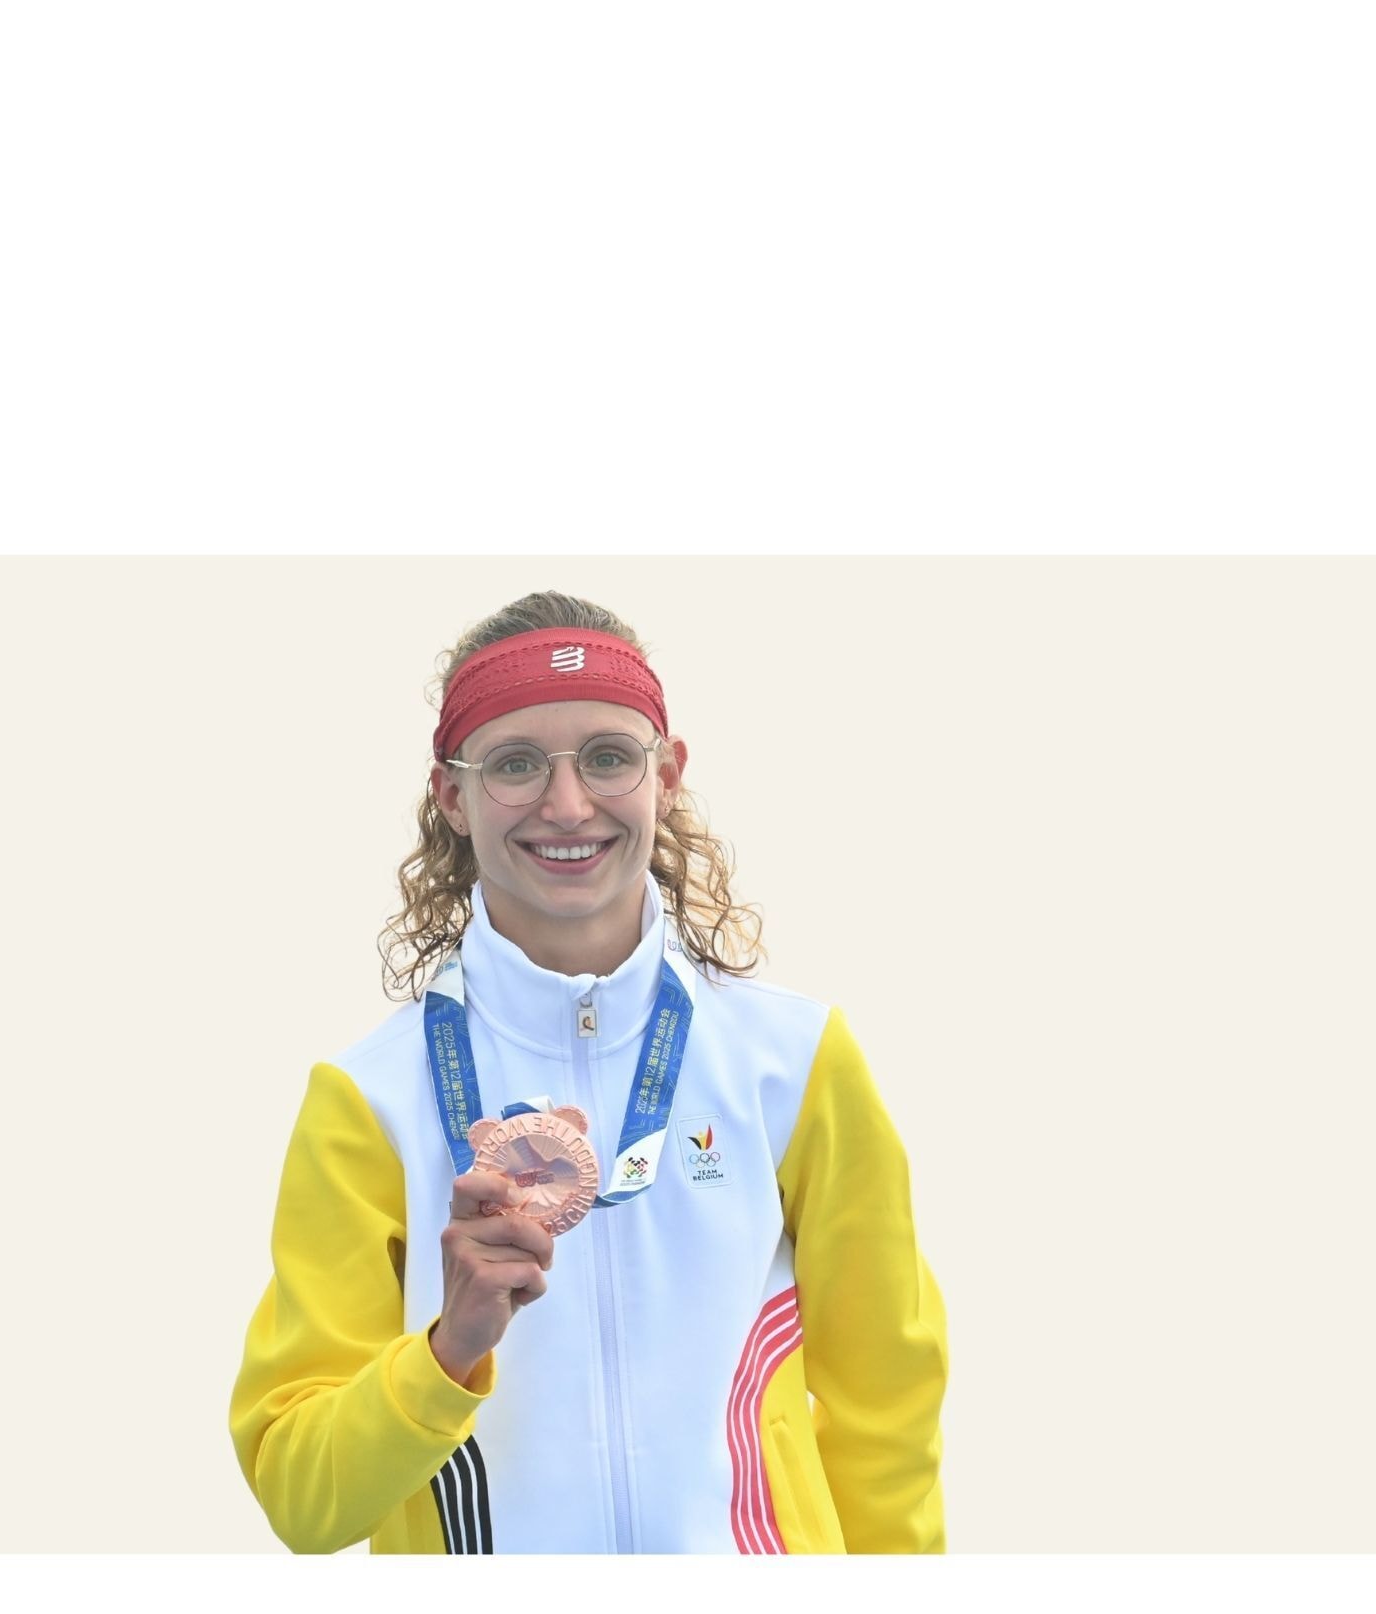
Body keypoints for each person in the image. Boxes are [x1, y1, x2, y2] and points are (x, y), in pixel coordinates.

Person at [227, 591, 947, 1553]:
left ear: (667, 775)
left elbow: (887, 1406)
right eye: (515, 764)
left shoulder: (794, 1063)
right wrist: (446, 1353)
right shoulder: (370, 1101)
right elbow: (302, 1499)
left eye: (608, 757)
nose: (567, 807)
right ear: (452, 796)